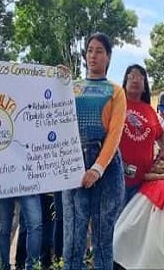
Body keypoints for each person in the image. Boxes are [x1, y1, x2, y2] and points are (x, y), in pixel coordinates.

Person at [62, 32, 126, 270]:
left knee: (102, 238)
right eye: (90, 50)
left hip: (106, 169)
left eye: (99, 51)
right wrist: (57, 80)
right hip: (73, 164)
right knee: (72, 237)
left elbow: (115, 134)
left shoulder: (115, 91)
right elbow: (53, 110)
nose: (93, 55)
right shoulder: (73, 87)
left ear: (108, 58)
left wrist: (97, 169)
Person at [119, 64, 164, 204]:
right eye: (131, 76)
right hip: (119, 180)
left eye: (140, 77)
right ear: (125, 82)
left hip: (145, 180)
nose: (135, 80)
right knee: (119, 223)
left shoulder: (150, 111)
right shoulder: (116, 106)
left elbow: (160, 133)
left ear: (144, 85)